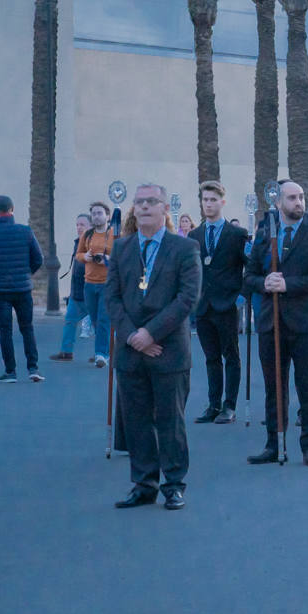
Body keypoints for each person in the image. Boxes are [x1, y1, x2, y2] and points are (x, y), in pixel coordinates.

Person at [106, 183, 201, 510]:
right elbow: (112, 297)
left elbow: (187, 298)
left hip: (168, 350)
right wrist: (134, 336)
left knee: (170, 422)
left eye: (151, 201)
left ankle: (173, 485)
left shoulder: (184, 248)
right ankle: (144, 484)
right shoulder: (122, 248)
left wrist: (151, 334)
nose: (144, 207)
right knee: (136, 421)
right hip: (131, 350)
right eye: (139, 202)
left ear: (165, 208)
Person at [245, 181, 308, 466]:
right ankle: (274, 444)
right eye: (292, 198)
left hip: (307, 324)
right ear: (278, 203)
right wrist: (264, 282)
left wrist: (288, 284)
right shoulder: (265, 234)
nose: (298, 202)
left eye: (301, 197)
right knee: (274, 388)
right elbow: (249, 275)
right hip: (271, 323)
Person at [186, 181, 248, 424]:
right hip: (203, 305)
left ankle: (229, 406)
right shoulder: (194, 235)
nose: (209, 204)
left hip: (227, 304)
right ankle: (213, 404)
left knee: (230, 355)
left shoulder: (237, 234)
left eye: (213, 200)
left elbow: (250, 266)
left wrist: (242, 295)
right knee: (211, 357)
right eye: (205, 200)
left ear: (222, 202)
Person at [0, 195, 44, 382]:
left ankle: (10, 371)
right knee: (27, 328)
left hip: (0, 290)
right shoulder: (26, 231)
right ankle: (33, 368)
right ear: (12, 209)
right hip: (23, 289)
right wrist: (26, 274)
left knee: (5, 331)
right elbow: (38, 258)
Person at [76, 201, 115, 367]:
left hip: (107, 284)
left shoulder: (114, 234)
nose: (96, 216)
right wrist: (85, 257)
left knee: (104, 318)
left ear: (107, 216)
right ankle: (107, 347)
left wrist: (108, 259)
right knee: (95, 319)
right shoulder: (87, 234)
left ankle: (101, 354)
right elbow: (78, 254)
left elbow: (122, 257)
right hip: (89, 283)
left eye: (100, 213)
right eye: (94, 213)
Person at [50, 213, 92, 361]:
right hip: (76, 293)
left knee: (99, 324)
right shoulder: (77, 242)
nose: (79, 227)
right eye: (77, 225)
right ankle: (66, 352)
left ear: (90, 226)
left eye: (82, 225)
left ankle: (103, 353)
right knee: (70, 321)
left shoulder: (93, 243)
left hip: (90, 292)